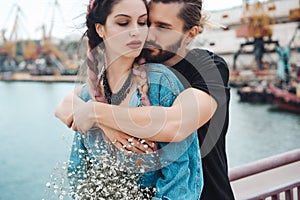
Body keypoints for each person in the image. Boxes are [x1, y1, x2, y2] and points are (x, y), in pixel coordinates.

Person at [56, 0, 235, 199]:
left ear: (190, 34)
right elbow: (66, 104)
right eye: (148, 23)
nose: (148, 34)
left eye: (163, 27)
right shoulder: (141, 68)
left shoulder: (206, 66)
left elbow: (176, 124)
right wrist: (104, 123)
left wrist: (95, 113)